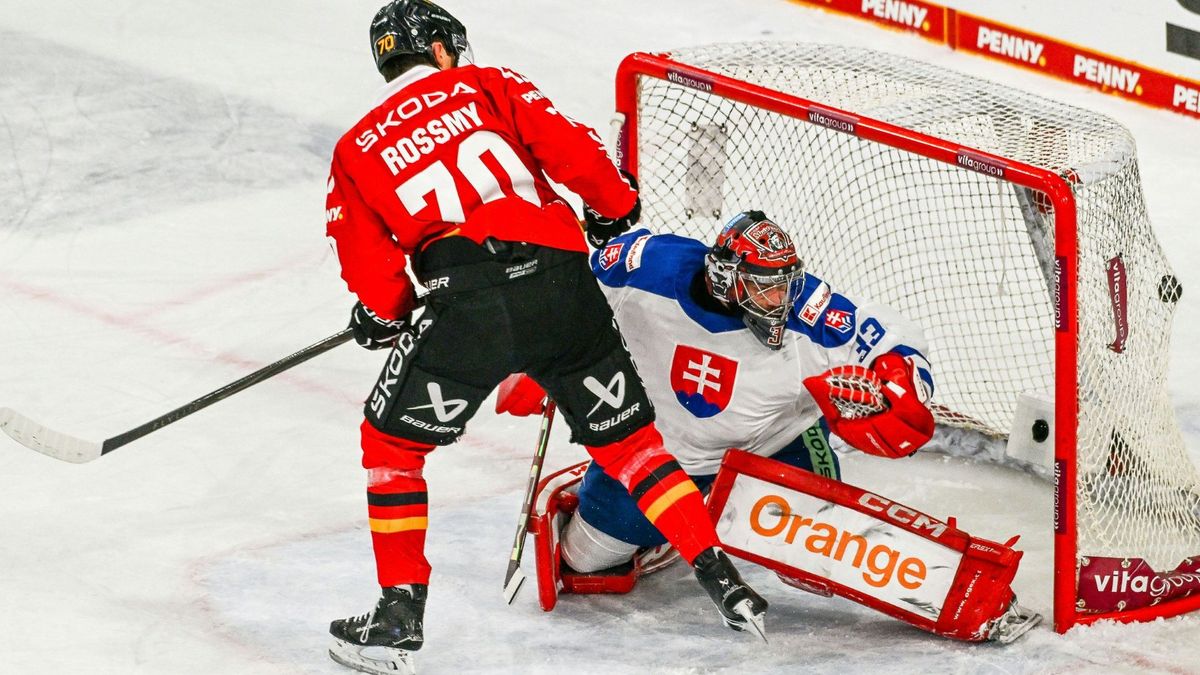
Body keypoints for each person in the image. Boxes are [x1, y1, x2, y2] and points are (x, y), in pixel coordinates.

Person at [322, 2, 767, 673]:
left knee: (391, 445)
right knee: (633, 447)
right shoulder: (489, 85)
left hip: (466, 301)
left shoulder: (356, 145)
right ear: (441, 50)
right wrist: (613, 207)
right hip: (561, 286)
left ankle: (399, 614)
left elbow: (368, 266)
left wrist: (387, 310)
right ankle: (722, 581)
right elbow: (574, 152)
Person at [499, 210, 936, 579]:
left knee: (810, 564)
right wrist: (539, 351)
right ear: (724, 275)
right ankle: (662, 530)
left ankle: (723, 506)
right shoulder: (645, 267)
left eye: (783, 284)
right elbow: (568, 284)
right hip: (657, 455)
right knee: (582, 562)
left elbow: (887, 334)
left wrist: (901, 374)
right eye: (764, 287)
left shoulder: (807, 309)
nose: (778, 300)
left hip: (773, 445)